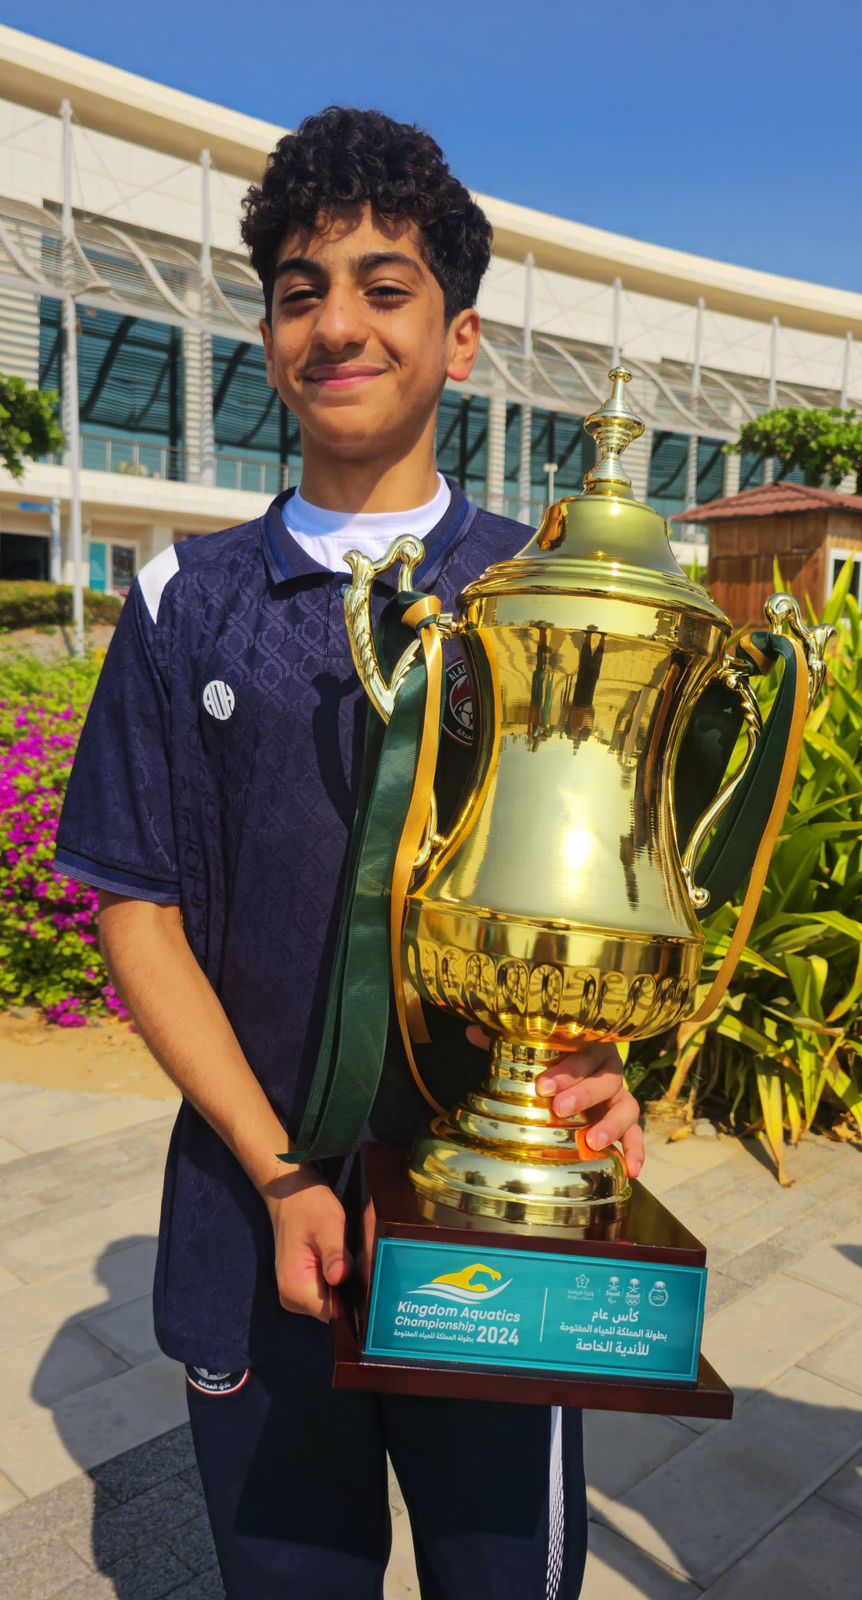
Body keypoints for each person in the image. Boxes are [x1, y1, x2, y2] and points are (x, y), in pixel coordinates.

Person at [56, 107, 645, 1600]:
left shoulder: (545, 595)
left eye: (385, 289)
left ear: (456, 339)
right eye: (301, 291)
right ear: (266, 333)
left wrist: (594, 1060)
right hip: (257, 1230)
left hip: (486, 1219)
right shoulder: (185, 597)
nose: (338, 325)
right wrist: (279, 1175)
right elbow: (138, 906)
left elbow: (614, 885)